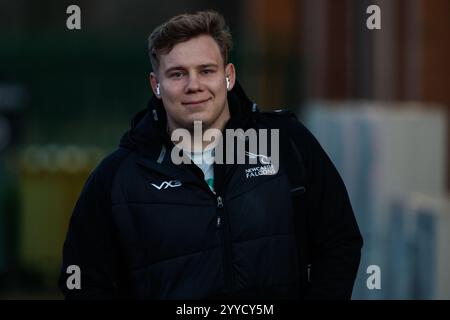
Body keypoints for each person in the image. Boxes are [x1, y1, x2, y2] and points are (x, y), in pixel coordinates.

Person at [59, 10, 363, 299]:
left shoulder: (287, 144)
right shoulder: (119, 175)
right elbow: (83, 277)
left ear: (228, 76)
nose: (194, 85)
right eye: (177, 74)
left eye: (206, 70)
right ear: (156, 85)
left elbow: (339, 243)